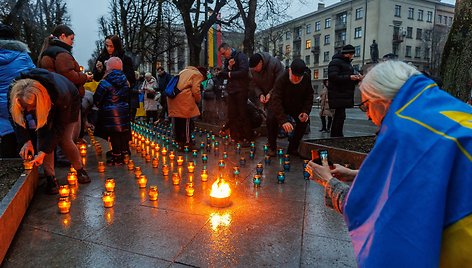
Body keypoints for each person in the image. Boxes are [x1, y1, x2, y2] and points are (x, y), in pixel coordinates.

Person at [306, 61, 472, 267]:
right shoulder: (444, 108)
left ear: (380, 99)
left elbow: (372, 209)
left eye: (366, 106)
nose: (368, 116)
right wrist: (356, 173)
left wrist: (328, 181)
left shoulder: (406, 128)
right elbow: (422, 174)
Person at [9, 68, 91, 194]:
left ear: (40, 101)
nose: (29, 111)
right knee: (42, 135)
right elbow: (15, 118)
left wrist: (43, 152)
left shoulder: (61, 96)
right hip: (46, 101)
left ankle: (80, 169)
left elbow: (58, 128)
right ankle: (50, 178)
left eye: (32, 107)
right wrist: (25, 141)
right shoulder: (15, 92)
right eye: (25, 107)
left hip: (69, 101)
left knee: (64, 139)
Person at [0, 24, 35, 158]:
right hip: (19, 100)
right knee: (21, 131)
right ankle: (28, 168)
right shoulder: (23, 57)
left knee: (5, 135)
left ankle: (7, 165)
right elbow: (33, 75)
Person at [267, 59, 314, 156]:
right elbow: (276, 100)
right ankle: (272, 147)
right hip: (281, 105)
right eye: (294, 76)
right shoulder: (281, 79)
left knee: (303, 122)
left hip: (296, 105)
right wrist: (283, 120)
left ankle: (293, 147)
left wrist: (305, 112)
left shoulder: (306, 78)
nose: (296, 79)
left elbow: (309, 96)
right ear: (290, 71)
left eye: (299, 77)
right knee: (271, 119)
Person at [93, 57, 130, 165]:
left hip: (110, 112)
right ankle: (124, 153)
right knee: (122, 134)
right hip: (123, 110)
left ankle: (117, 157)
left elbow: (97, 98)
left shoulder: (105, 81)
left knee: (114, 135)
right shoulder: (125, 81)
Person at [38, 25, 92, 97]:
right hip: (67, 97)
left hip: (54, 95)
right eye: (71, 39)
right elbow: (70, 76)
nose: (72, 42)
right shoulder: (61, 54)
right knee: (90, 97)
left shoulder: (48, 51)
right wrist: (85, 77)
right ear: (63, 36)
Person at [217, 43, 252, 146]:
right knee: (232, 114)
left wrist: (229, 74)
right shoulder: (228, 60)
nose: (224, 56)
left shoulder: (241, 56)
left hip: (241, 89)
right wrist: (229, 68)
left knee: (242, 113)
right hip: (232, 90)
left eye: (224, 53)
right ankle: (235, 137)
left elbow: (244, 71)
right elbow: (226, 73)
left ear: (228, 49)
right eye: (222, 54)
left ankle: (247, 138)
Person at [328, 44, 363, 137]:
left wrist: (356, 79)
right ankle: (336, 136)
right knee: (339, 117)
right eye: (351, 54)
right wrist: (349, 77)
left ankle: (337, 135)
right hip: (338, 93)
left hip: (343, 94)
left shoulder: (347, 63)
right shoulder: (336, 62)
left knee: (341, 116)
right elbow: (333, 77)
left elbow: (346, 79)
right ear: (346, 53)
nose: (352, 56)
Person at [167, 66, 205, 151]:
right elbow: (196, 90)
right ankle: (187, 143)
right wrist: (198, 100)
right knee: (187, 122)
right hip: (184, 99)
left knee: (178, 122)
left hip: (174, 98)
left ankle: (180, 142)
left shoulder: (183, 71)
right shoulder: (197, 74)